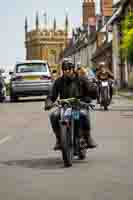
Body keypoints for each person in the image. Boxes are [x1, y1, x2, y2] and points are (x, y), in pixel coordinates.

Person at [45, 60, 97, 150]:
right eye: (64, 69)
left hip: (78, 105)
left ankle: (87, 137)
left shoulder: (81, 79)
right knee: (54, 116)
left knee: (83, 114)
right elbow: (51, 95)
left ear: (73, 69)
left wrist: (92, 92)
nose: (66, 71)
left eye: (68, 69)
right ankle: (59, 139)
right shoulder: (58, 81)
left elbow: (91, 90)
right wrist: (48, 103)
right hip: (65, 106)